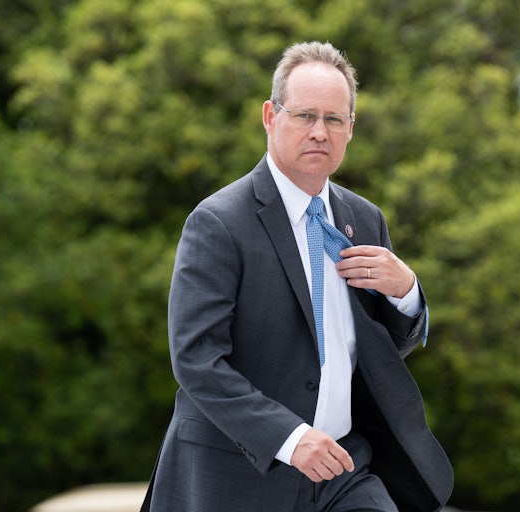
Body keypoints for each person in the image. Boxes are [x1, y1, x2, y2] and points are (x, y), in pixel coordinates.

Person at [141, 41, 453, 512]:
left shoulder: (365, 220)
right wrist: (289, 437)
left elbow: (378, 355)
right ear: (271, 116)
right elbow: (196, 359)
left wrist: (406, 293)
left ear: (350, 129)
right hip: (238, 475)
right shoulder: (218, 222)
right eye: (305, 116)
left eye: (333, 120)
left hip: (342, 471)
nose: (319, 133)